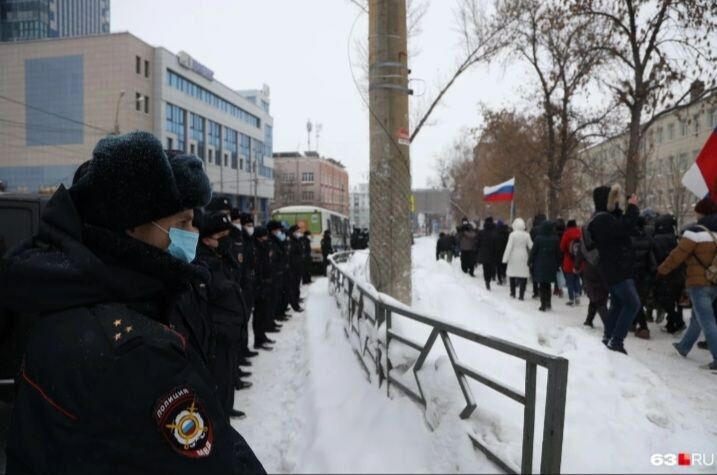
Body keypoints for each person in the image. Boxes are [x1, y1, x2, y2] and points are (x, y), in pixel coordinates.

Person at [0, 132, 264, 473]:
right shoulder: (137, 350)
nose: (192, 232)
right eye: (181, 222)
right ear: (133, 227)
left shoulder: (64, 294)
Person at [194, 211, 252, 422]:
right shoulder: (203, 262)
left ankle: (227, 411)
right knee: (218, 382)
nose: (226, 240)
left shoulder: (221, 257)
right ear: (208, 239)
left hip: (230, 331)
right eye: (221, 236)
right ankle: (220, 421)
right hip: (217, 333)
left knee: (227, 379)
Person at [658, 196, 717, 371]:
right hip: (714, 282)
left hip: (698, 284)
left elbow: (678, 254)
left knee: (707, 321)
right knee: (697, 319)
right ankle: (684, 346)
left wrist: (662, 269)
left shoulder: (694, 232)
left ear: (701, 212)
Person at [588, 184, 640, 354]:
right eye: (614, 199)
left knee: (618, 304)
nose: (617, 202)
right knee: (632, 304)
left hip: (616, 268)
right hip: (617, 269)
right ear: (607, 201)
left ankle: (608, 337)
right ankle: (616, 341)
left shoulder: (604, 218)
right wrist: (632, 209)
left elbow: (620, 228)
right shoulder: (602, 219)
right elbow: (622, 230)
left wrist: (623, 211)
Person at [651, 214, 686, 334]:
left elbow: (655, 256)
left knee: (663, 299)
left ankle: (679, 322)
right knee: (676, 299)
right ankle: (671, 324)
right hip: (679, 273)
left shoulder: (657, 239)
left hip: (664, 272)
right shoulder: (677, 238)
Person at [631, 216, 657, 339]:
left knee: (635, 301)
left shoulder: (629, 238)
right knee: (639, 299)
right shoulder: (648, 238)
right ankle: (633, 323)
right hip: (645, 274)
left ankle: (643, 326)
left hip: (632, 274)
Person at [529, 220, 561, 311]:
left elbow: (533, 252)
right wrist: (559, 264)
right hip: (551, 265)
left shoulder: (538, 239)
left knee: (542, 285)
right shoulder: (555, 239)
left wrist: (530, 261)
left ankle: (542, 305)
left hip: (540, 265)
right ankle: (548, 302)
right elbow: (558, 254)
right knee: (548, 284)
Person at [252, 226, 275, 351]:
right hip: (260, 285)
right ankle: (258, 340)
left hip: (265, 283)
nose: (267, 238)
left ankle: (262, 336)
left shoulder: (263, 246)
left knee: (263, 312)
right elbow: (258, 268)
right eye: (265, 236)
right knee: (259, 313)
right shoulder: (256, 248)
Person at [502, 218, 533, 300]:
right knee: (523, 275)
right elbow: (531, 246)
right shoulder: (527, 235)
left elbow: (509, 247)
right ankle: (521, 295)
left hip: (513, 256)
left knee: (512, 274)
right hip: (523, 255)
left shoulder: (512, 235)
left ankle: (513, 293)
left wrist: (505, 258)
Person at [560, 220, 583, 306]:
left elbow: (562, 247)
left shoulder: (567, 233)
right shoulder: (580, 232)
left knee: (569, 281)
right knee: (576, 278)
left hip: (569, 260)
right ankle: (577, 296)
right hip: (578, 260)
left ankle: (571, 299)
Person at [477, 217, 498, 290]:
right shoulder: (495, 232)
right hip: (493, 252)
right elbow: (496, 243)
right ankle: (492, 276)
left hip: (484, 253)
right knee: (492, 267)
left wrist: (479, 251)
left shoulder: (481, 232)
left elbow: (478, 243)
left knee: (485, 268)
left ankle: (487, 281)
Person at [288, 225, 305, 313]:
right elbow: (291, 256)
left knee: (297, 286)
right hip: (293, 268)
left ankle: (296, 300)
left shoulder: (297, 240)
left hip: (298, 267)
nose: (299, 233)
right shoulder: (291, 241)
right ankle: (295, 304)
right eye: (297, 231)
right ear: (293, 232)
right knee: (293, 287)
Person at [530, 214, 547, 298]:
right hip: (545, 253)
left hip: (535, 253)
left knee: (534, 272)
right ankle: (542, 289)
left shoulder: (533, 229)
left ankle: (535, 291)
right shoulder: (546, 229)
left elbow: (530, 242)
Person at [495, 220, 510, 285]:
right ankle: (504, 276)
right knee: (504, 265)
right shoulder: (507, 232)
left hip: (498, 252)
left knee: (498, 266)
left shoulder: (496, 232)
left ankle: (500, 279)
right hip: (505, 251)